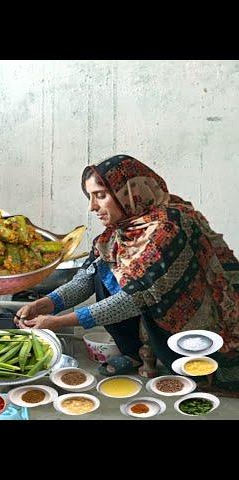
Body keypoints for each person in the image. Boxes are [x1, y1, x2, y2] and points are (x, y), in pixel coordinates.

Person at [14, 154, 239, 394]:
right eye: (90, 197)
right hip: (147, 300)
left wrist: (57, 322)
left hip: (200, 313)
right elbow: (85, 279)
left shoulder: (169, 226)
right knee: (103, 272)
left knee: (190, 372)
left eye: (100, 195)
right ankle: (133, 353)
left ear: (130, 192)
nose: (92, 207)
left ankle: (194, 364)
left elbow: (135, 299)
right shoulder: (118, 232)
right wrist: (45, 304)